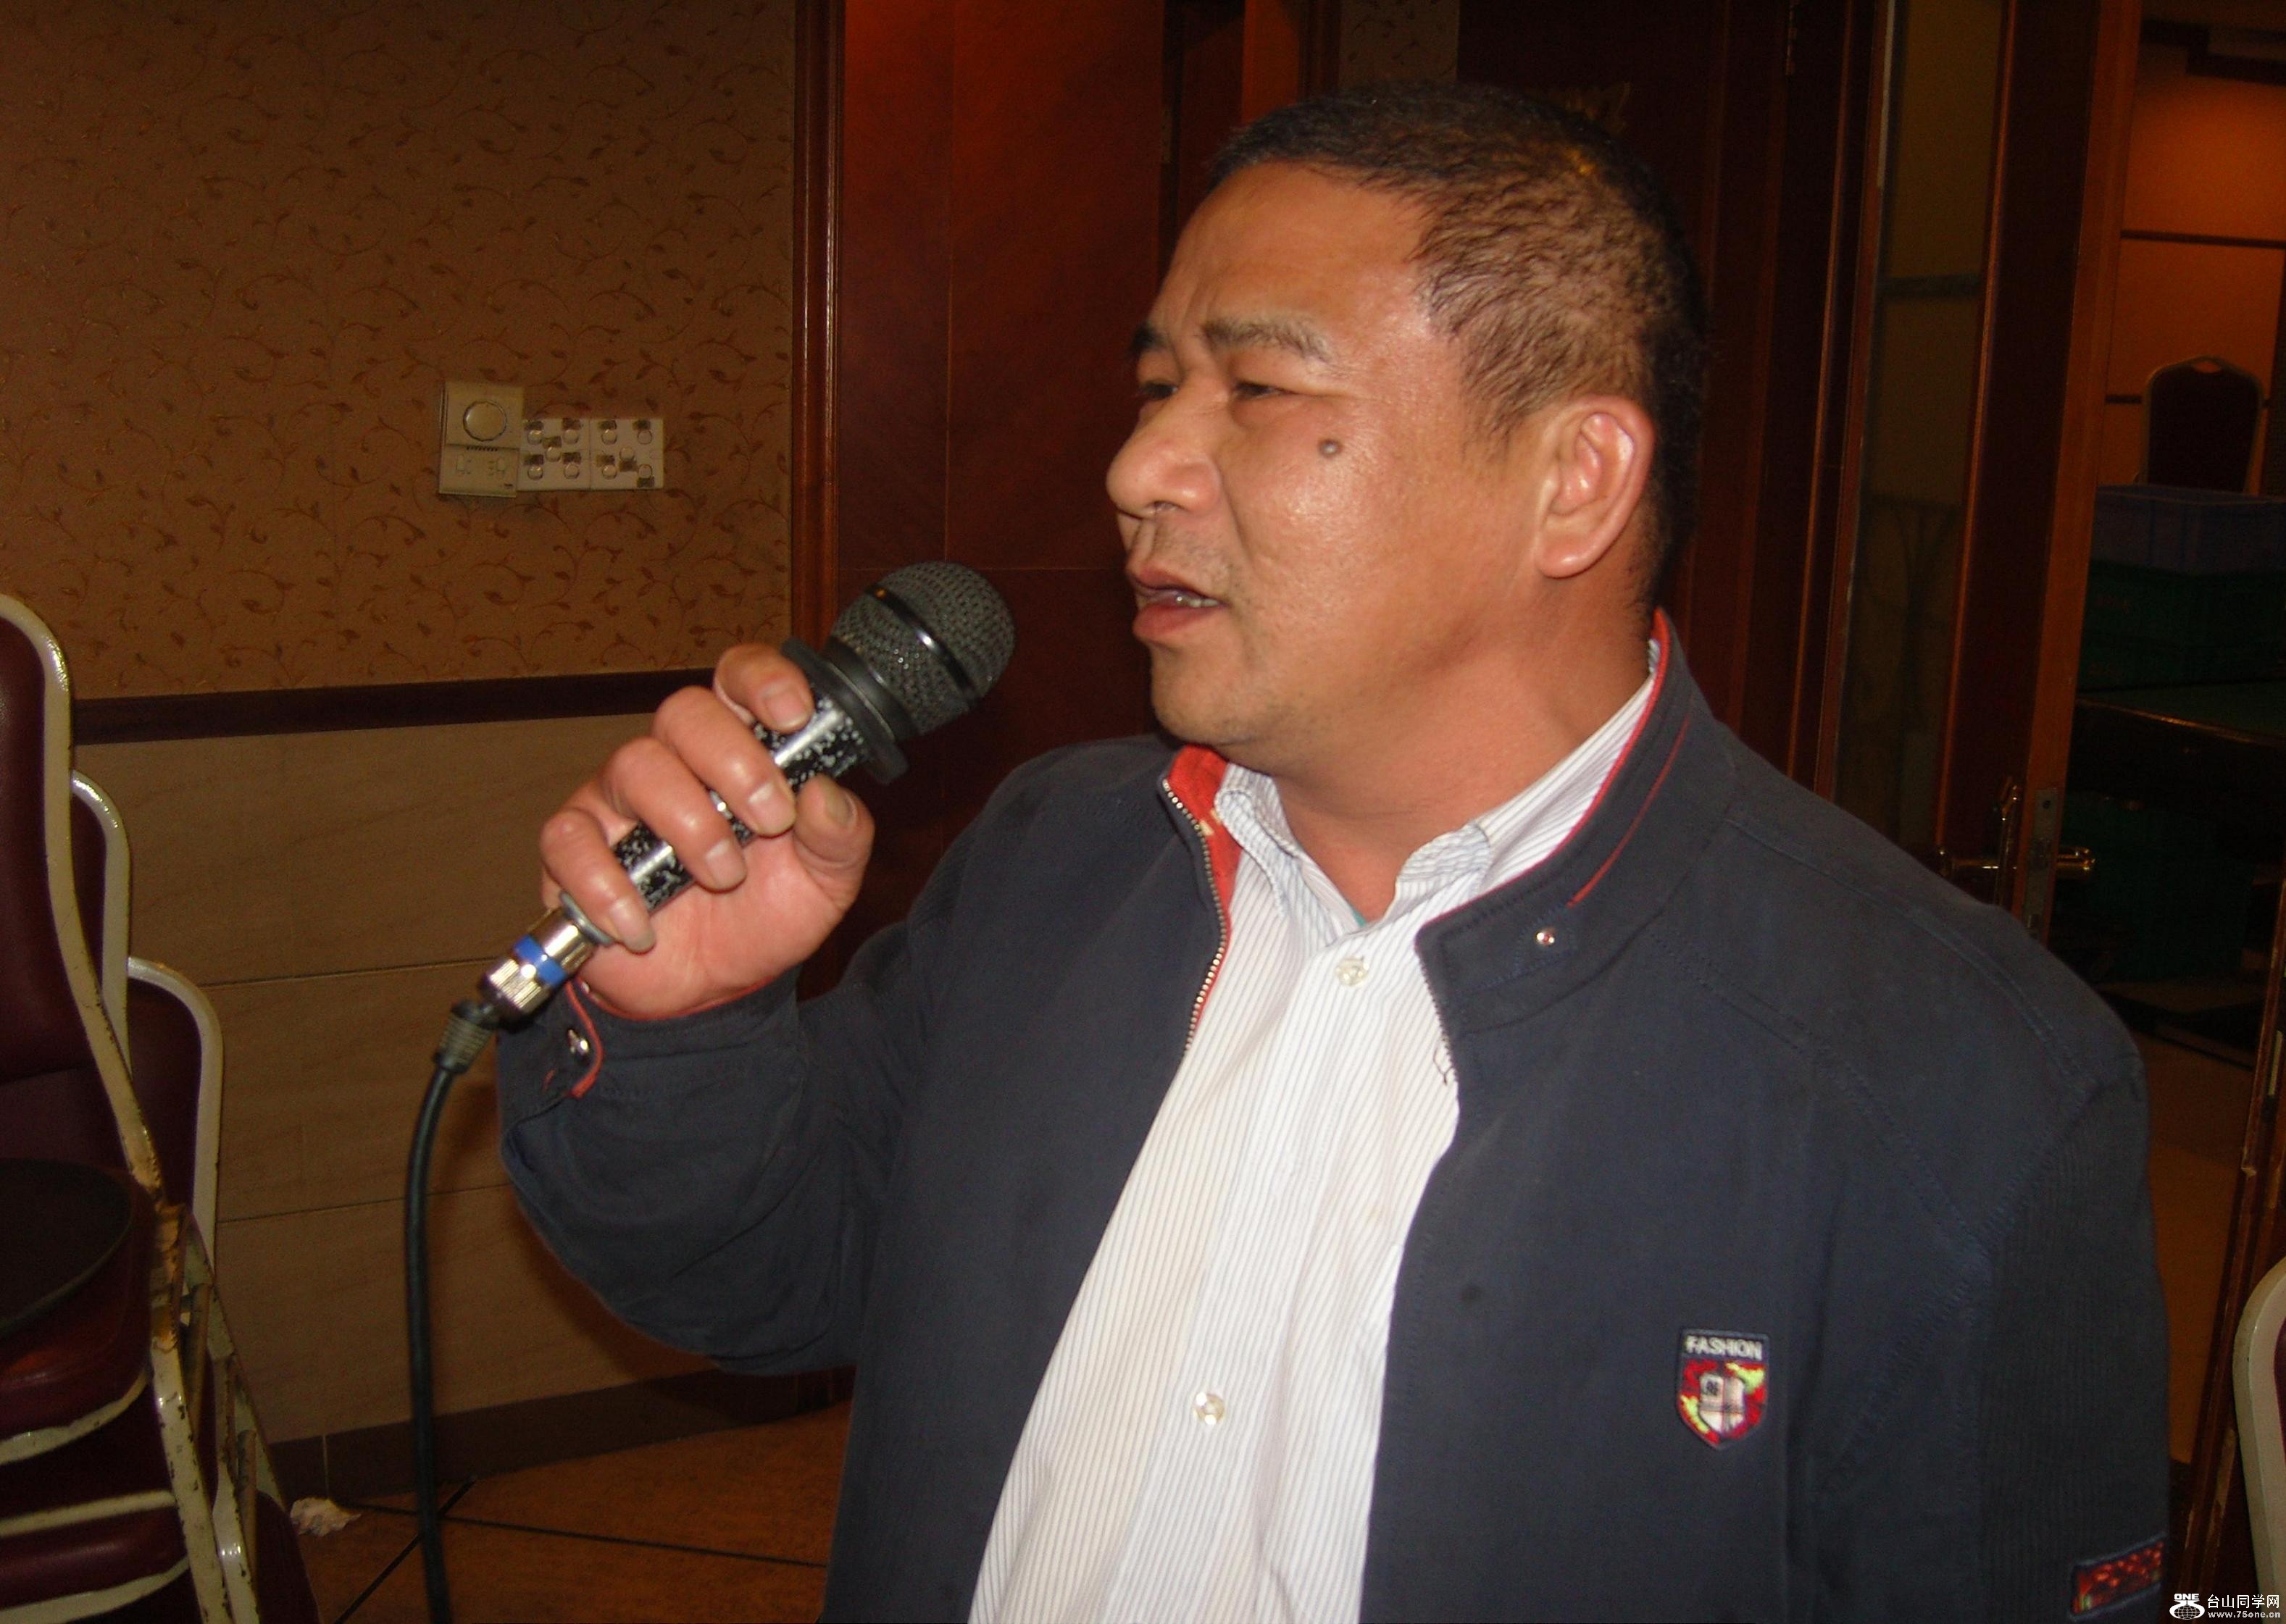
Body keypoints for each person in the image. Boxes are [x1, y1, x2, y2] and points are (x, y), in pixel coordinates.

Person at [499, 83, 2169, 1623]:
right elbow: (775, 1275)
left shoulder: (1959, 1074)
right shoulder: (1057, 858)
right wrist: (683, 1028)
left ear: (1574, 482)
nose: (1137, 469)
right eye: (1157, 387)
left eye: (1259, 387)